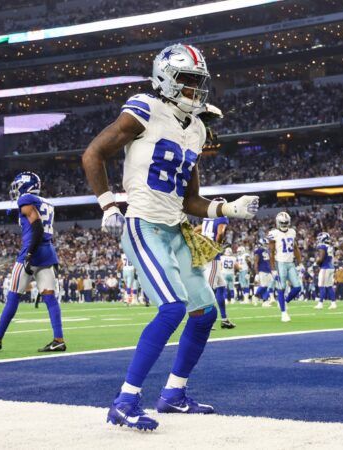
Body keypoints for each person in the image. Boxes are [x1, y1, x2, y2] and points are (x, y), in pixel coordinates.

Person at [82, 43, 259, 430]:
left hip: (176, 227)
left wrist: (229, 209)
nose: (197, 90)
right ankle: (125, 400)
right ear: (167, 78)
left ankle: (173, 393)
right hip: (143, 224)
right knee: (173, 308)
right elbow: (92, 153)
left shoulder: (196, 128)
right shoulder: (145, 108)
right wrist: (108, 205)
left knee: (205, 312)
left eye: (200, 83)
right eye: (190, 81)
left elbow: (191, 199)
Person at [0, 172, 65, 353]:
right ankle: (58, 339)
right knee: (50, 298)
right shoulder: (47, 202)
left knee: (13, 296)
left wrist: (29, 252)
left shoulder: (26, 198)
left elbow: (37, 227)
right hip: (47, 252)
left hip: (32, 251)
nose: (15, 190)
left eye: (17, 186)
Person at [199, 201, 235, 328]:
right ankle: (205, 320)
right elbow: (220, 232)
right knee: (209, 289)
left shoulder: (207, 218)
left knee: (221, 286)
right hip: (212, 257)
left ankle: (224, 319)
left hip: (206, 254)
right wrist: (216, 246)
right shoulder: (221, 217)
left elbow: (198, 229)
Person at [268, 212, 302, 322]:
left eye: (286, 222)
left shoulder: (292, 232)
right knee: (281, 288)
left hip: (290, 263)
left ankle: (285, 302)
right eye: (282, 222)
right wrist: (273, 268)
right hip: (280, 263)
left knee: (297, 287)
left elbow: (295, 248)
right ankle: (284, 313)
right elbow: (271, 252)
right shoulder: (274, 233)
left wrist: (300, 263)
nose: (284, 224)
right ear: (278, 222)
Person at [315, 232, 337, 310]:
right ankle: (333, 303)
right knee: (329, 286)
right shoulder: (330, 246)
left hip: (325, 267)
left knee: (322, 286)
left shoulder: (322, 246)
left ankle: (320, 303)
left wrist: (316, 262)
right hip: (331, 267)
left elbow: (321, 258)